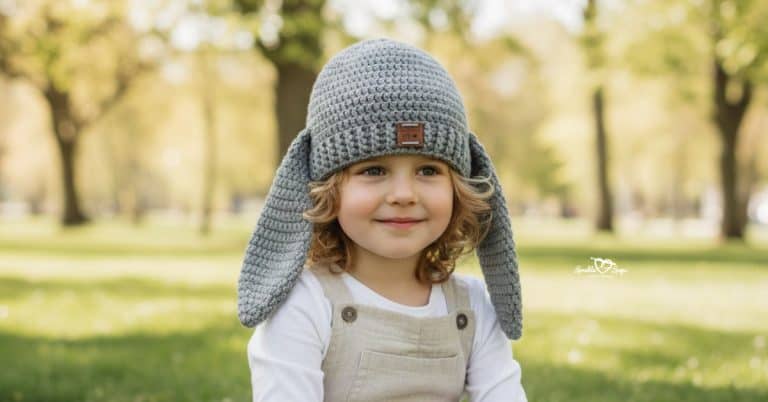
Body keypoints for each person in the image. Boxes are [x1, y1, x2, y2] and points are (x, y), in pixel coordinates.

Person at [238, 37, 526, 402]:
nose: (403, 194)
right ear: (327, 188)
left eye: (427, 170)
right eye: (374, 170)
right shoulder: (305, 305)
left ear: (459, 187)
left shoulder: (473, 307)